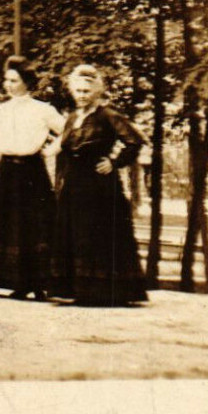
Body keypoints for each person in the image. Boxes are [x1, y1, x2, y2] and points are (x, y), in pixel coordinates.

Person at [51, 64, 148, 306]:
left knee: (96, 234)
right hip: (73, 183)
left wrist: (114, 163)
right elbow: (64, 149)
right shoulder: (72, 118)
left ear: (96, 91)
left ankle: (101, 291)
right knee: (74, 233)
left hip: (98, 186)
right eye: (78, 91)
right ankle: (77, 288)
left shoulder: (108, 115)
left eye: (86, 91)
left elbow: (134, 141)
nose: (82, 95)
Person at [0, 56, 66, 299]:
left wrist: (49, 150)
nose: (8, 85)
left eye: (14, 80)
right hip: (7, 172)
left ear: (27, 82)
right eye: (6, 80)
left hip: (31, 172)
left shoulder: (43, 109)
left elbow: (68, 131)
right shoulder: (1, 110)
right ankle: (18, 283)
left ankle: (39, 284)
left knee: (34, 227)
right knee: (11, 226)